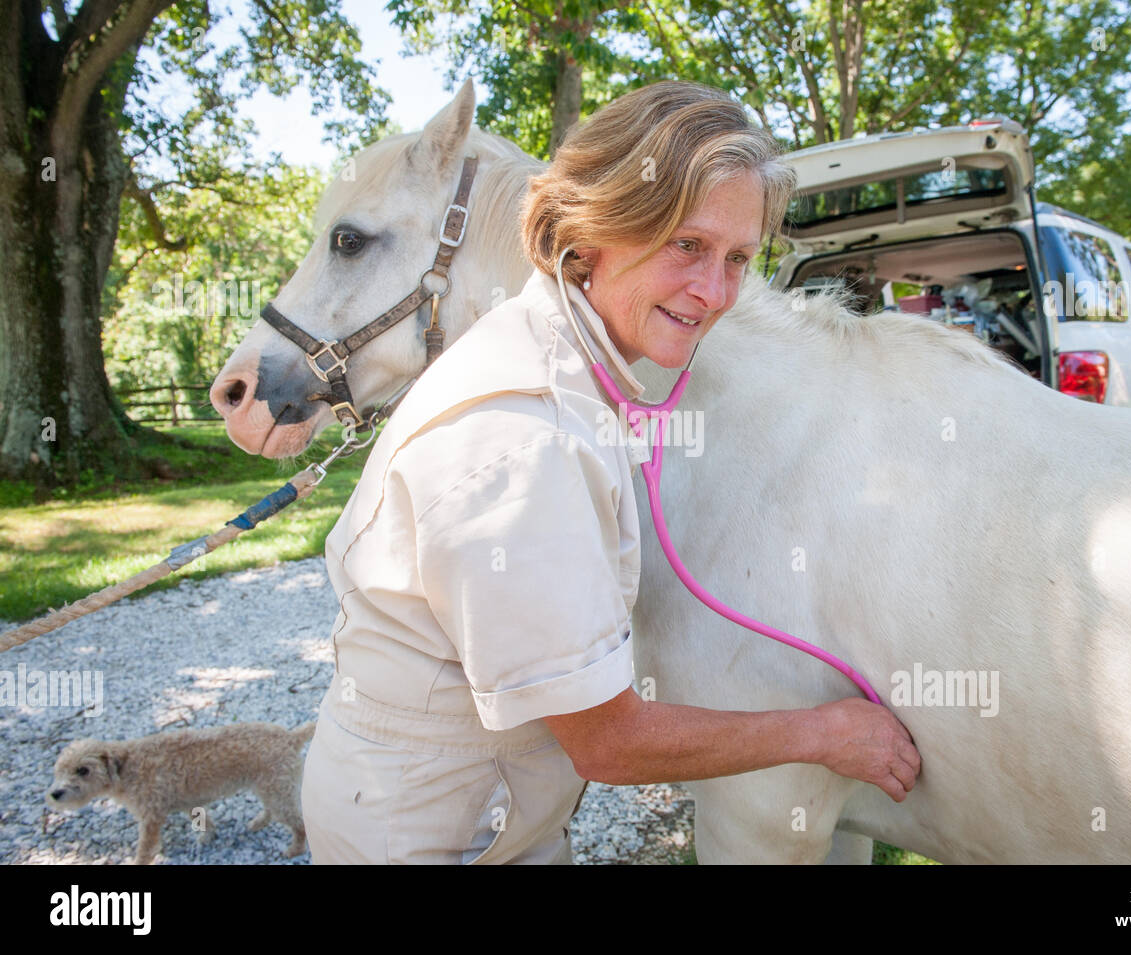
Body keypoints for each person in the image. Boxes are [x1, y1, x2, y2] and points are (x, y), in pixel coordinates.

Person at [300, 81, 920, 864]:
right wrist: (824, 733)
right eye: (687, 245)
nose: (716, 293)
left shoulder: (544, 350)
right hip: (433, 838)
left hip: (486, 815)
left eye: (737, 259)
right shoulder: (530, 441)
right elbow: (609, 741)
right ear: (592, 230)